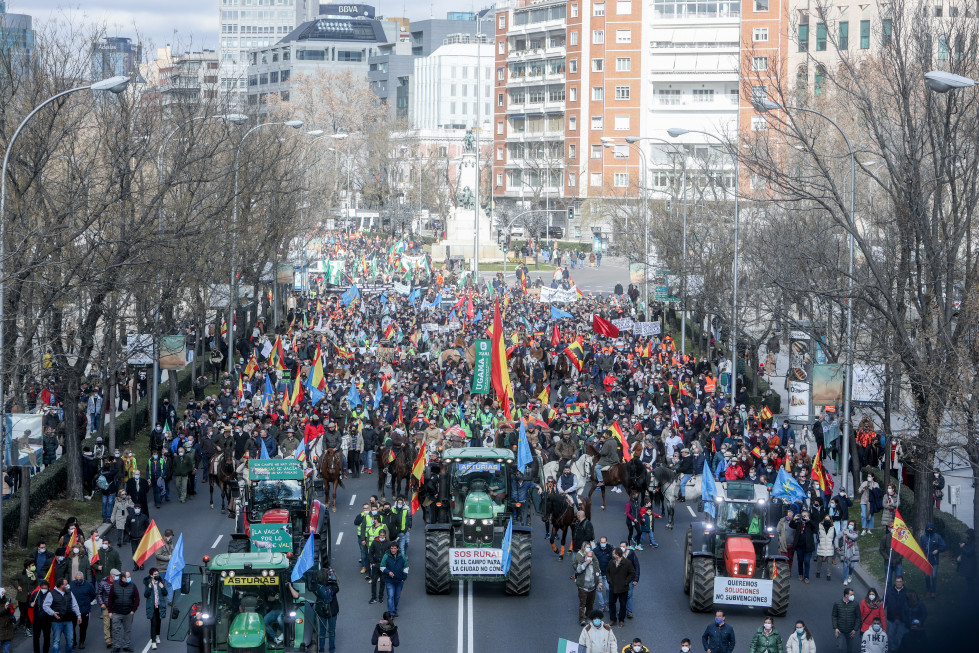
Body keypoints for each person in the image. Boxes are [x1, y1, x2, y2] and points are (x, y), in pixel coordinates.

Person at [42, 577, 81, 653]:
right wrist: (52, 612)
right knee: (56, 641)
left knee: (70, 640)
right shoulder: (51, 593)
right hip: (56, 622)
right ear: (61, 585)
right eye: (66, 584)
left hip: (68, 620)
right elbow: (45, 606)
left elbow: (74, 605)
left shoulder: (69, 593)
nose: (68, 586)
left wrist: (78, 615)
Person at [108, 571, 139, 653]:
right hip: (116, 613)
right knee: (115, 630)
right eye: (128, 576)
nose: (130, 578)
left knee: (127, 630)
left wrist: (133, 610)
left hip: (128, 613)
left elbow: (137, 598)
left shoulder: (133, 586)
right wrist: (110, 611)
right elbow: (110, 599)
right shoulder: (115, 586)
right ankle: (116, 646)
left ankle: (126, 645)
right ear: (123, 578)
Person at [573, 542, 601, 626]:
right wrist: (586, 563)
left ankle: (589, 617)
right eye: (588, 556)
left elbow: (598, 573)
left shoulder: (595, 562)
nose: (590, 558)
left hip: (592, 587)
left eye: (591, 556)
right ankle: (582, 619)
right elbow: (578, 570)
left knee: (590, 603)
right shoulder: (581, 560)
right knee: (583, 603)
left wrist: (600, 584)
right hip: (583, 587)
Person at [312, 568, 339, 653]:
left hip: (321, 611)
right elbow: (337, 588)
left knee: (322, 632)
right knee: (331, 631)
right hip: (332, 610)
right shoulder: (333, 586)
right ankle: (332, 650)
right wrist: (333, 579)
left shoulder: (317, 587)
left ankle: (321, 650)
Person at [606, 547, 635, 628]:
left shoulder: (627, 563)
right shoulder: (611, 562)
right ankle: (613, 620)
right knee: (611, 604)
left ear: (617, 555)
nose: (612, 555)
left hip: (623, 588)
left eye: (613, 554)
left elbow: (632, 573)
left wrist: (626, 582)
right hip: (613, 587)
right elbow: (607, 572)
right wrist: (609, 580)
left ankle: (621, 620)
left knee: (623, 605)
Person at [68, 572, 96, 650]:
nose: (78, 581)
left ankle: (81, 641)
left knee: (83, 627)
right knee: (71, 627)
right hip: (73, 610)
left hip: (84, 610)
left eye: (80, 579)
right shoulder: (71, 585)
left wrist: (86, 602)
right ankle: (73, 641)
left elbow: (93, 595)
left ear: (83, 578)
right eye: (77, 579)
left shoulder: (88, 585)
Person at [379, 541, 408, 617]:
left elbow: (406, 567)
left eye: (394, 548)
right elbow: (382, 567)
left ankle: (394, 609)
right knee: (390, 596)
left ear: (397, 549)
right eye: (392, 548)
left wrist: (404, 578)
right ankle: (391, 612)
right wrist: (388, 572)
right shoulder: (386, 556)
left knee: (397, 596)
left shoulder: (402, 556)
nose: (393, 550)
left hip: (399, 580)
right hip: (389, 580)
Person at [918, 522, 946, 598]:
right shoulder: (923, 537)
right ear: (926, 529)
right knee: (927, 576)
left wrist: (938, 550)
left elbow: (944, 546)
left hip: (935, 561)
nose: (930, 530)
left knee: (933, 576)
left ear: (933, 529)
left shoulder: (937, 537)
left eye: (931, 528)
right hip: (926, 561)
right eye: (928, 528)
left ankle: (933, 592)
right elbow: (919, 548)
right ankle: (928, 591)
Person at [790, 509, 817, 582]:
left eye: (805, 515)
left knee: (807, 561)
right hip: (799, 546)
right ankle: (800, 574)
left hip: (808, 547)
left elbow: (816, 528)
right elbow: (791, 525)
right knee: (800, 561)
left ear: (808, 516)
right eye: (802, 515)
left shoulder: (810, 524)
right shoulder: (799, 523)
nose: (803, 517)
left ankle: (806, 576)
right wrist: (794, 519)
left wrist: (809, 520)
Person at [142, 569, 167, 649]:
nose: (157, 575)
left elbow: (165, 593)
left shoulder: (160, 582)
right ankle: (153, 642)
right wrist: (149, 588)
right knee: (153, 622)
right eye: (155, 574)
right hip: (151, 606)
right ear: (151, 575)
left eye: (158, 574)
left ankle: (157, 635)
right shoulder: (148, 584)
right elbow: (146, 595)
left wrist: (162, 588)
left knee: (159, 621)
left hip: (159, 605)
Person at [832, 587, 860, 653]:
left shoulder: (855, 604)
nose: (853, 596)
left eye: (853, 594)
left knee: (850, 650)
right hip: (840, 630)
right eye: (851, 595)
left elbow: (858, 617)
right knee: (840, 648)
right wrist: (835, 628)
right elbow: (834, 616)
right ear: (846, 595)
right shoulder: (837, 603)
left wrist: (855, 629)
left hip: (851, 631)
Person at [95, 569, 118, 650]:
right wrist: (101, 603)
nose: (117, 577)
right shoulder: (103, 583)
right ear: (112, 575)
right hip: (106, 607)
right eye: (116, 575)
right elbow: (99, 594)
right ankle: (108, 640)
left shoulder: (118, 583)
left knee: (114, 624)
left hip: (115, 607)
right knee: (107, 624)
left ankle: (112, 638)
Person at [617, 541, 640, 619]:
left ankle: (629, 611)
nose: (622, 548)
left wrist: (636, 579)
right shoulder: (617, 555)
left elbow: (637, 566)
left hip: (630, 578)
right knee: (621, 595)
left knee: (629, 595)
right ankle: (622, 610)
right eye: (620, 546)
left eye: (623, 546)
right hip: (620, 579)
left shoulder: (631, 554)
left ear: (627, 547)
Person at [124, 507, 150, 571]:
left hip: (141, 537)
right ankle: (136, 565)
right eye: (136, 508)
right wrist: (129, 533)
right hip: (133, 538)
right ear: (134, 509)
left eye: (138, 508)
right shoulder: (130, 517)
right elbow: (126, 526)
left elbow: (148, 526)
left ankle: (141, 564)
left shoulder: (144, 517)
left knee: (141, 551)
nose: (137, 509)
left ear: (140, 509)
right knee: (134, 552)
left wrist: (144, 533)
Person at [29, 580, 51, 653]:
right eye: (42, 587)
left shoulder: (50, 594)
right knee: (36, 636)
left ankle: (46, 651)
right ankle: (36, 651)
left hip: (47, 619)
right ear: (40, 586)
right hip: (37, 619)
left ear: (48, 587)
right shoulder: (36, 593)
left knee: (47, 636)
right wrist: (31, 604)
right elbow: (30, 603)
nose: (44, 588)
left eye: (45, 587)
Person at [838, 520, 860, 585]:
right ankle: (845, 579)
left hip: (853, 551)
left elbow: (854, 537)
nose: (850, 526)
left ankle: (850, 575)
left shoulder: (856, 532)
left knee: (852, 565)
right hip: (845, 551)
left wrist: (847, 533)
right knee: (845, 565)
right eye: (850, 524)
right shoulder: (844, 531)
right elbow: (838, 538)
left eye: (852, 525)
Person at [816, 513, 837, 580]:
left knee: (829, 562)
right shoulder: (820, 526)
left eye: (828, 518)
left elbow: (834, 536)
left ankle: (828, 575)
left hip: (829, 546)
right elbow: (817, 535)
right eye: (826, 518)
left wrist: (833, 543)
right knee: (819, 560)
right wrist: (819, 541)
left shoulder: (833, 528)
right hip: (821, 545)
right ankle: (818, 571)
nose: (827, 520)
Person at [0, 588, 16, 653]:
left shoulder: (6, 600)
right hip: (1, 627)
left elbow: (12, 611)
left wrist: (11, 608)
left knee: (7, 646)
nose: (3, 594)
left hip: (8, 626)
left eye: (4, 593)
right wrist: (5, 607)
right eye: (2, 593)